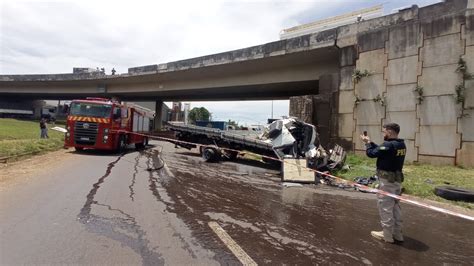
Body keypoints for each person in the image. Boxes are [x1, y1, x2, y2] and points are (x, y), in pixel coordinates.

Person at [360, 123, 406, 243]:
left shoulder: (388, 145)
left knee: (385, 206)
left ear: (390, 132)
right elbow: (381, 150)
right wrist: (370, 142)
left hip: (387, 182)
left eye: (384, 132)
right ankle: (397, 234)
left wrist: (366, 143)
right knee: (396, 207)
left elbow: (372, 153)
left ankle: (387, 235)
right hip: (396, 181)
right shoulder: (401, 144)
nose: (384, 134)